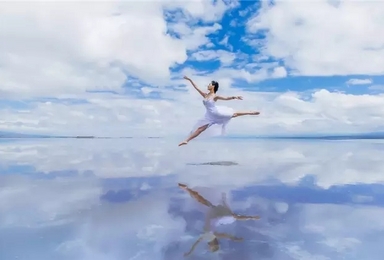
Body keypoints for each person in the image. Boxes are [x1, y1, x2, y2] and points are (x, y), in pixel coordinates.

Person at [178, 183, 260, 256]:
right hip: (217, 218)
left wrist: (190, 252)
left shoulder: (208, 236)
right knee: (233, 216)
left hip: (214, 216)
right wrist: (235, 239)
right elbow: (225, 235)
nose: (208, 246)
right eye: (210, 246)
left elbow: (196, 244)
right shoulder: (212, 236)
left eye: (209, 247)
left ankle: (187, 189)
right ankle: (251, 217)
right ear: (213, 243)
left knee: (202, 201)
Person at [178, 76, 260, 146]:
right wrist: (189, 79)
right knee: (200, 129)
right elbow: (196, 88)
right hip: (209, 116)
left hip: (217, 113)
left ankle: (251, 112)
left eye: (209, 84)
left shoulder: (215, 96)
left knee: (234, 114)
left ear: (213, 86)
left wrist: (234, 97)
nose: (208, 85)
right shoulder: (205, 95)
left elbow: (226, 98)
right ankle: (186, 140)